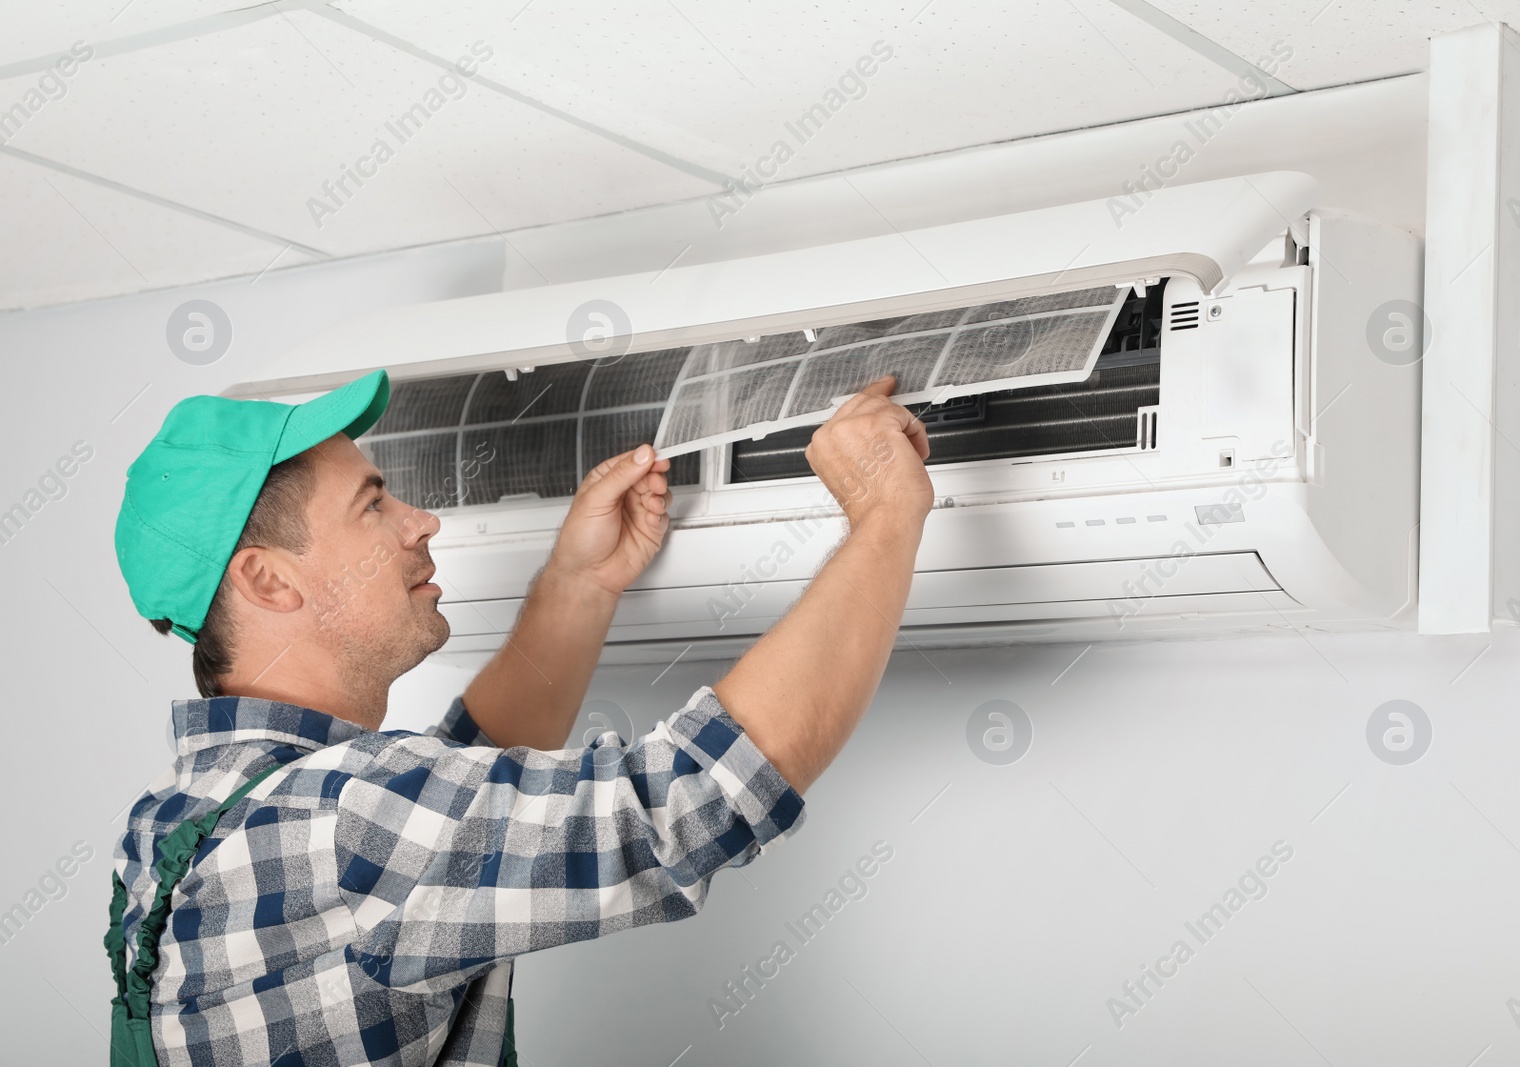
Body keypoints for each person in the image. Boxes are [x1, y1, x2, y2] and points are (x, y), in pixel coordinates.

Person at [106, 368, 931, 1066]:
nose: (419, 521)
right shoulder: (341, 820)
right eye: (373, 504)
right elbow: (686, 799)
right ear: (269, 581)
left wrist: (580, 585)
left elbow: (450, 808)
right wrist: (885, 514)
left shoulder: (178, 813)